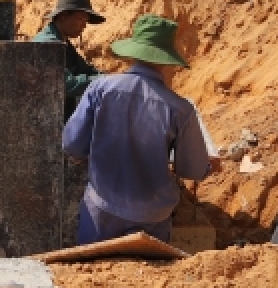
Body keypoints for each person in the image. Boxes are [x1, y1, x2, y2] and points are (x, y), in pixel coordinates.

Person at [62, 14, 216, 245]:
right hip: (153, 219)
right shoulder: (181, 109)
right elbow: (192, 170)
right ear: (166, 62)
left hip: (102, 213)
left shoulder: (101, 88)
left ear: (132, 54)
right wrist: (209, 166)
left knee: (94, 273)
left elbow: (72, 144)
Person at [31, 0, 106, 119]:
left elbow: (85, 69)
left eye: (86, 21)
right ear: (64, 16)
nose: (84, 25)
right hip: (44, 120)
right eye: (81, 19)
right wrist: (102, 81)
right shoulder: (47, 44)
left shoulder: (62, 41)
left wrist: (105, 78)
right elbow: (66, 84)